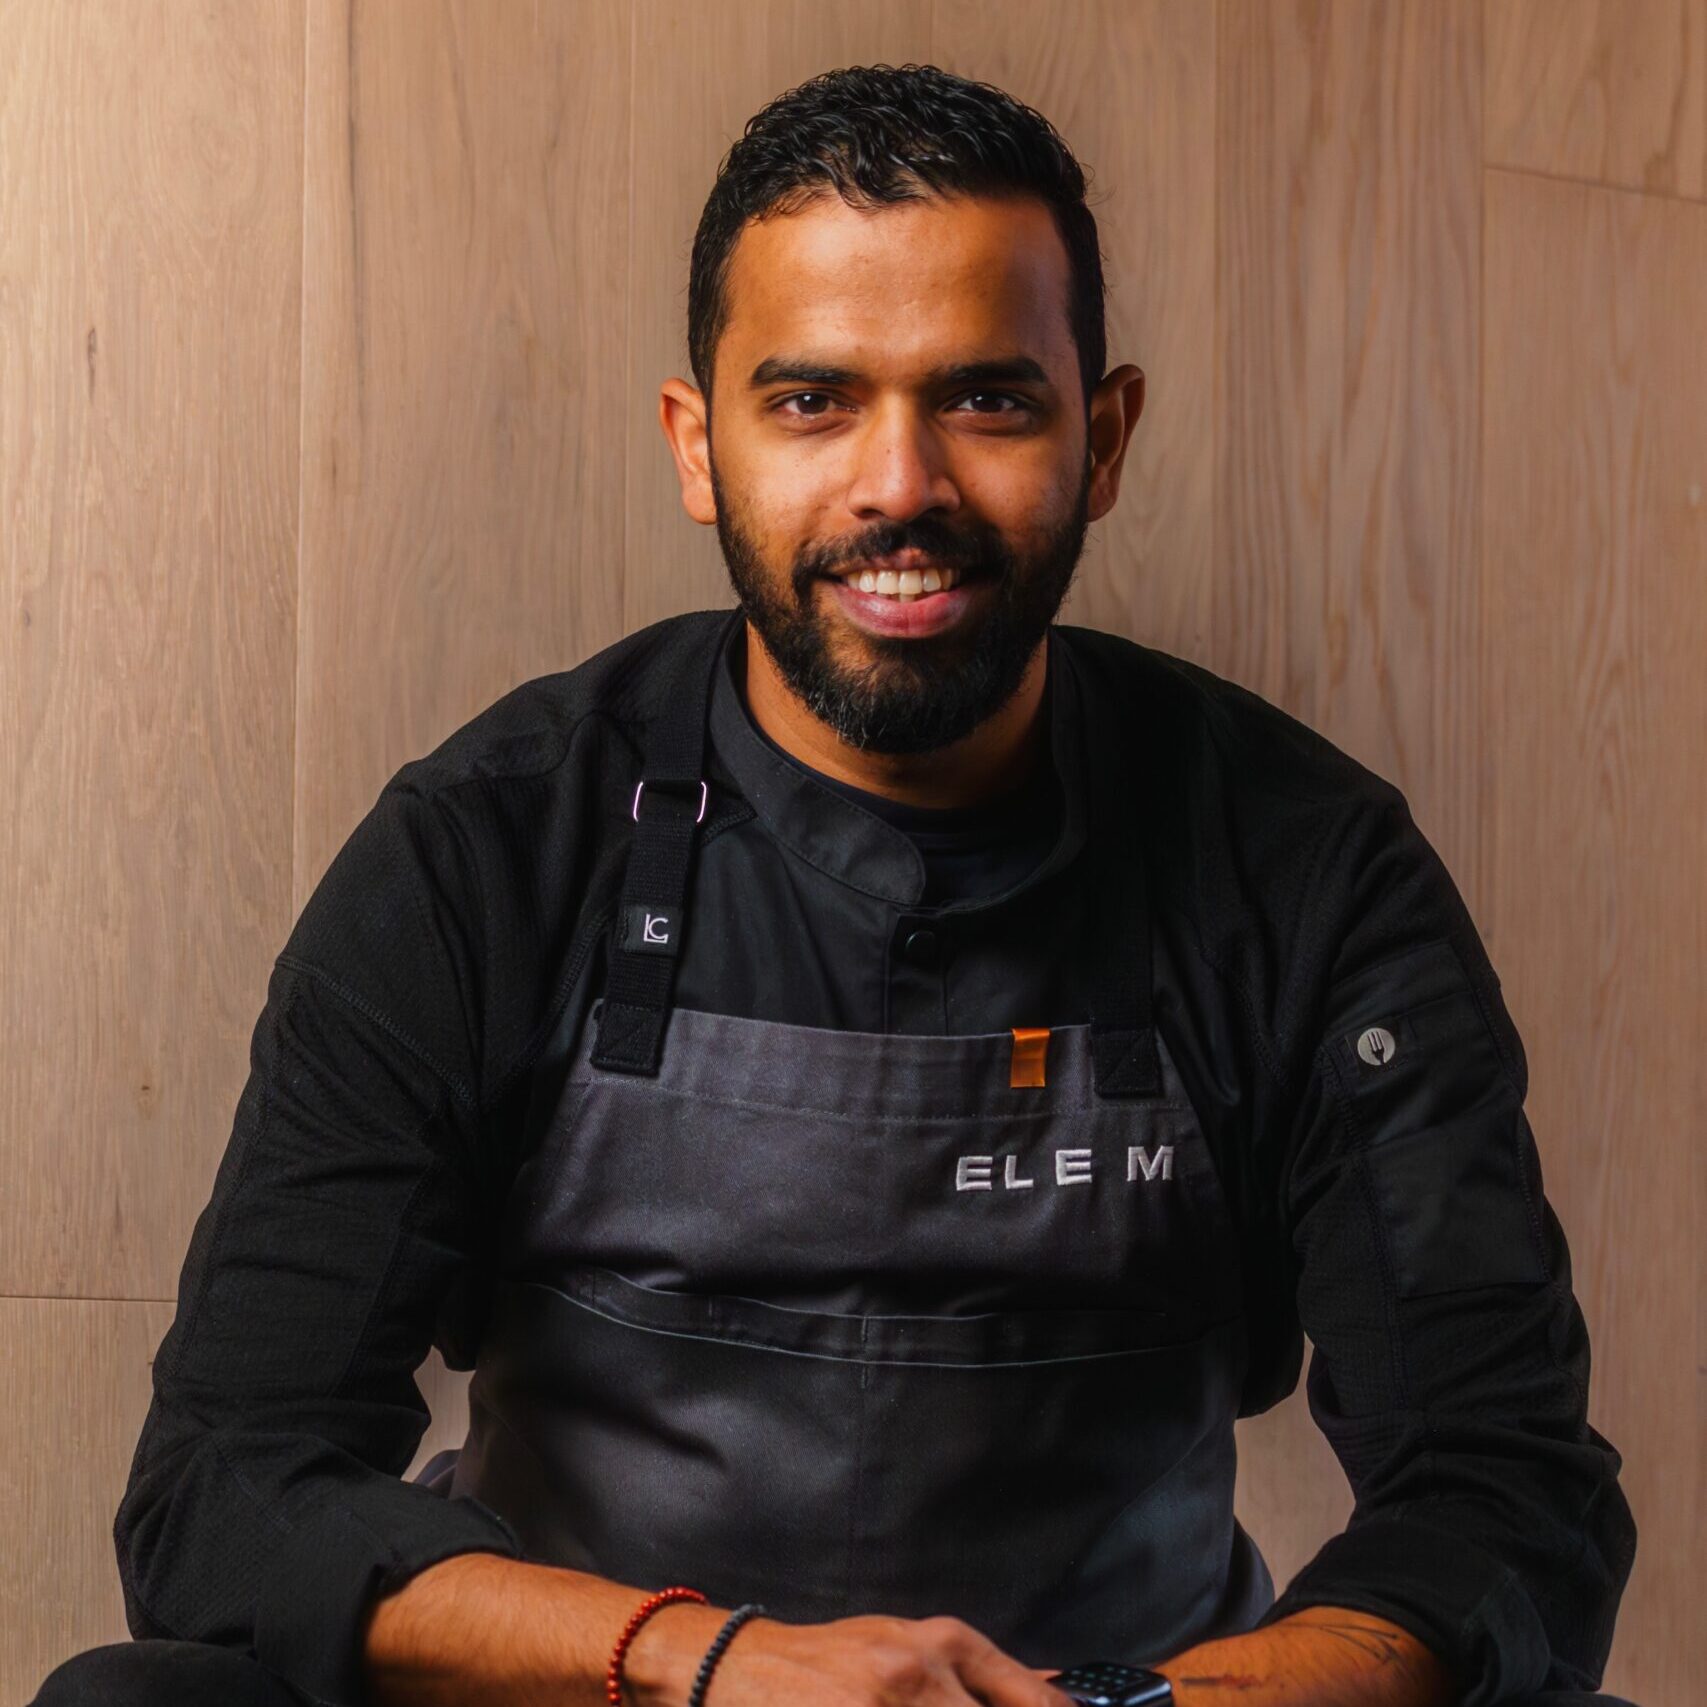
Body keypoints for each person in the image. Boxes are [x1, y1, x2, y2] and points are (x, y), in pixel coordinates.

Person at [33, 62, 1636, 1707]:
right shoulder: (487, 851)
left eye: (989, 400)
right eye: (811, 403)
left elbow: (1507, 1491)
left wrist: (1189, 1705)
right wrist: (696, 1664)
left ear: (1107, 438)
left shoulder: (1308, 872)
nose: (899, 488)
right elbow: (225, 1491)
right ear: (697, 445)